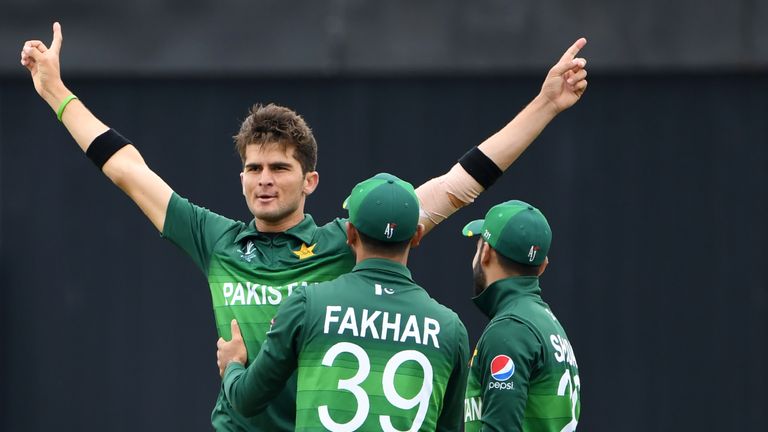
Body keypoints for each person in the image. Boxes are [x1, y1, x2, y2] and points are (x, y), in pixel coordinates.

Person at [20, 22, 588, 431]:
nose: (264, 180)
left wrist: (545, 104)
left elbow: (459, 184)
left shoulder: (346, 240)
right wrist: (56, 92)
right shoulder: (216, 240)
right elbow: (127, 169)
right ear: (241, 177)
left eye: (279, 168)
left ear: (309, 180)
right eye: (254, 168)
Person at [217, 172, 470, 431]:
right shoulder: (450, 328)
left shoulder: (307, 305)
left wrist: (232, 364)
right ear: (417, 235)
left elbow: (245, 400)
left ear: (350, 233)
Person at [461, 201, 580, 431]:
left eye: (478, 247)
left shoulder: (510, 329)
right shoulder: (547, 324)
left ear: (485, 252)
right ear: (543, 266)